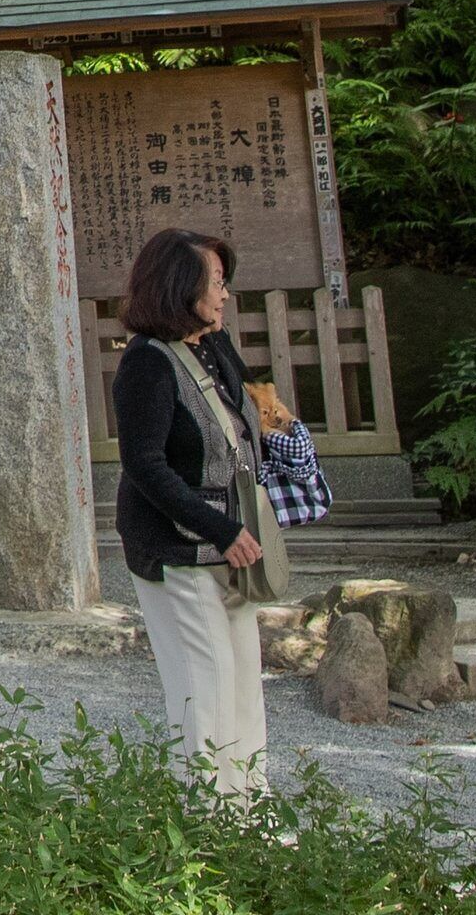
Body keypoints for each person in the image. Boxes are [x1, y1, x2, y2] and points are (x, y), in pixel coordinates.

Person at [112, 228, 271, 795]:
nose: (224, 295)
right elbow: (145, 465)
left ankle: (251, 805)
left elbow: (241, 426)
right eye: (216, 284)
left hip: (232, 544)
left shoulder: (214, 344)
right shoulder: (146, 364)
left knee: (243, 681)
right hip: (176, 548)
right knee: (204, 683)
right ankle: (206, 815)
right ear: (181, 288)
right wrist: (221, 530)